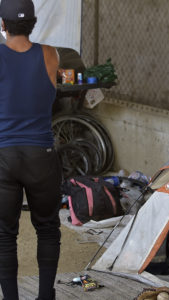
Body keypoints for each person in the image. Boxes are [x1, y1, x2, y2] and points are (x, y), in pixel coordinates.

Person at [0, 0, 61, 299]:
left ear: (2, 24)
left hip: (4, 156)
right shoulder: (50, 55)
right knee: (48, 228)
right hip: (41, 156)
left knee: (4, 234)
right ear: (34, 23)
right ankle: (45, 296)